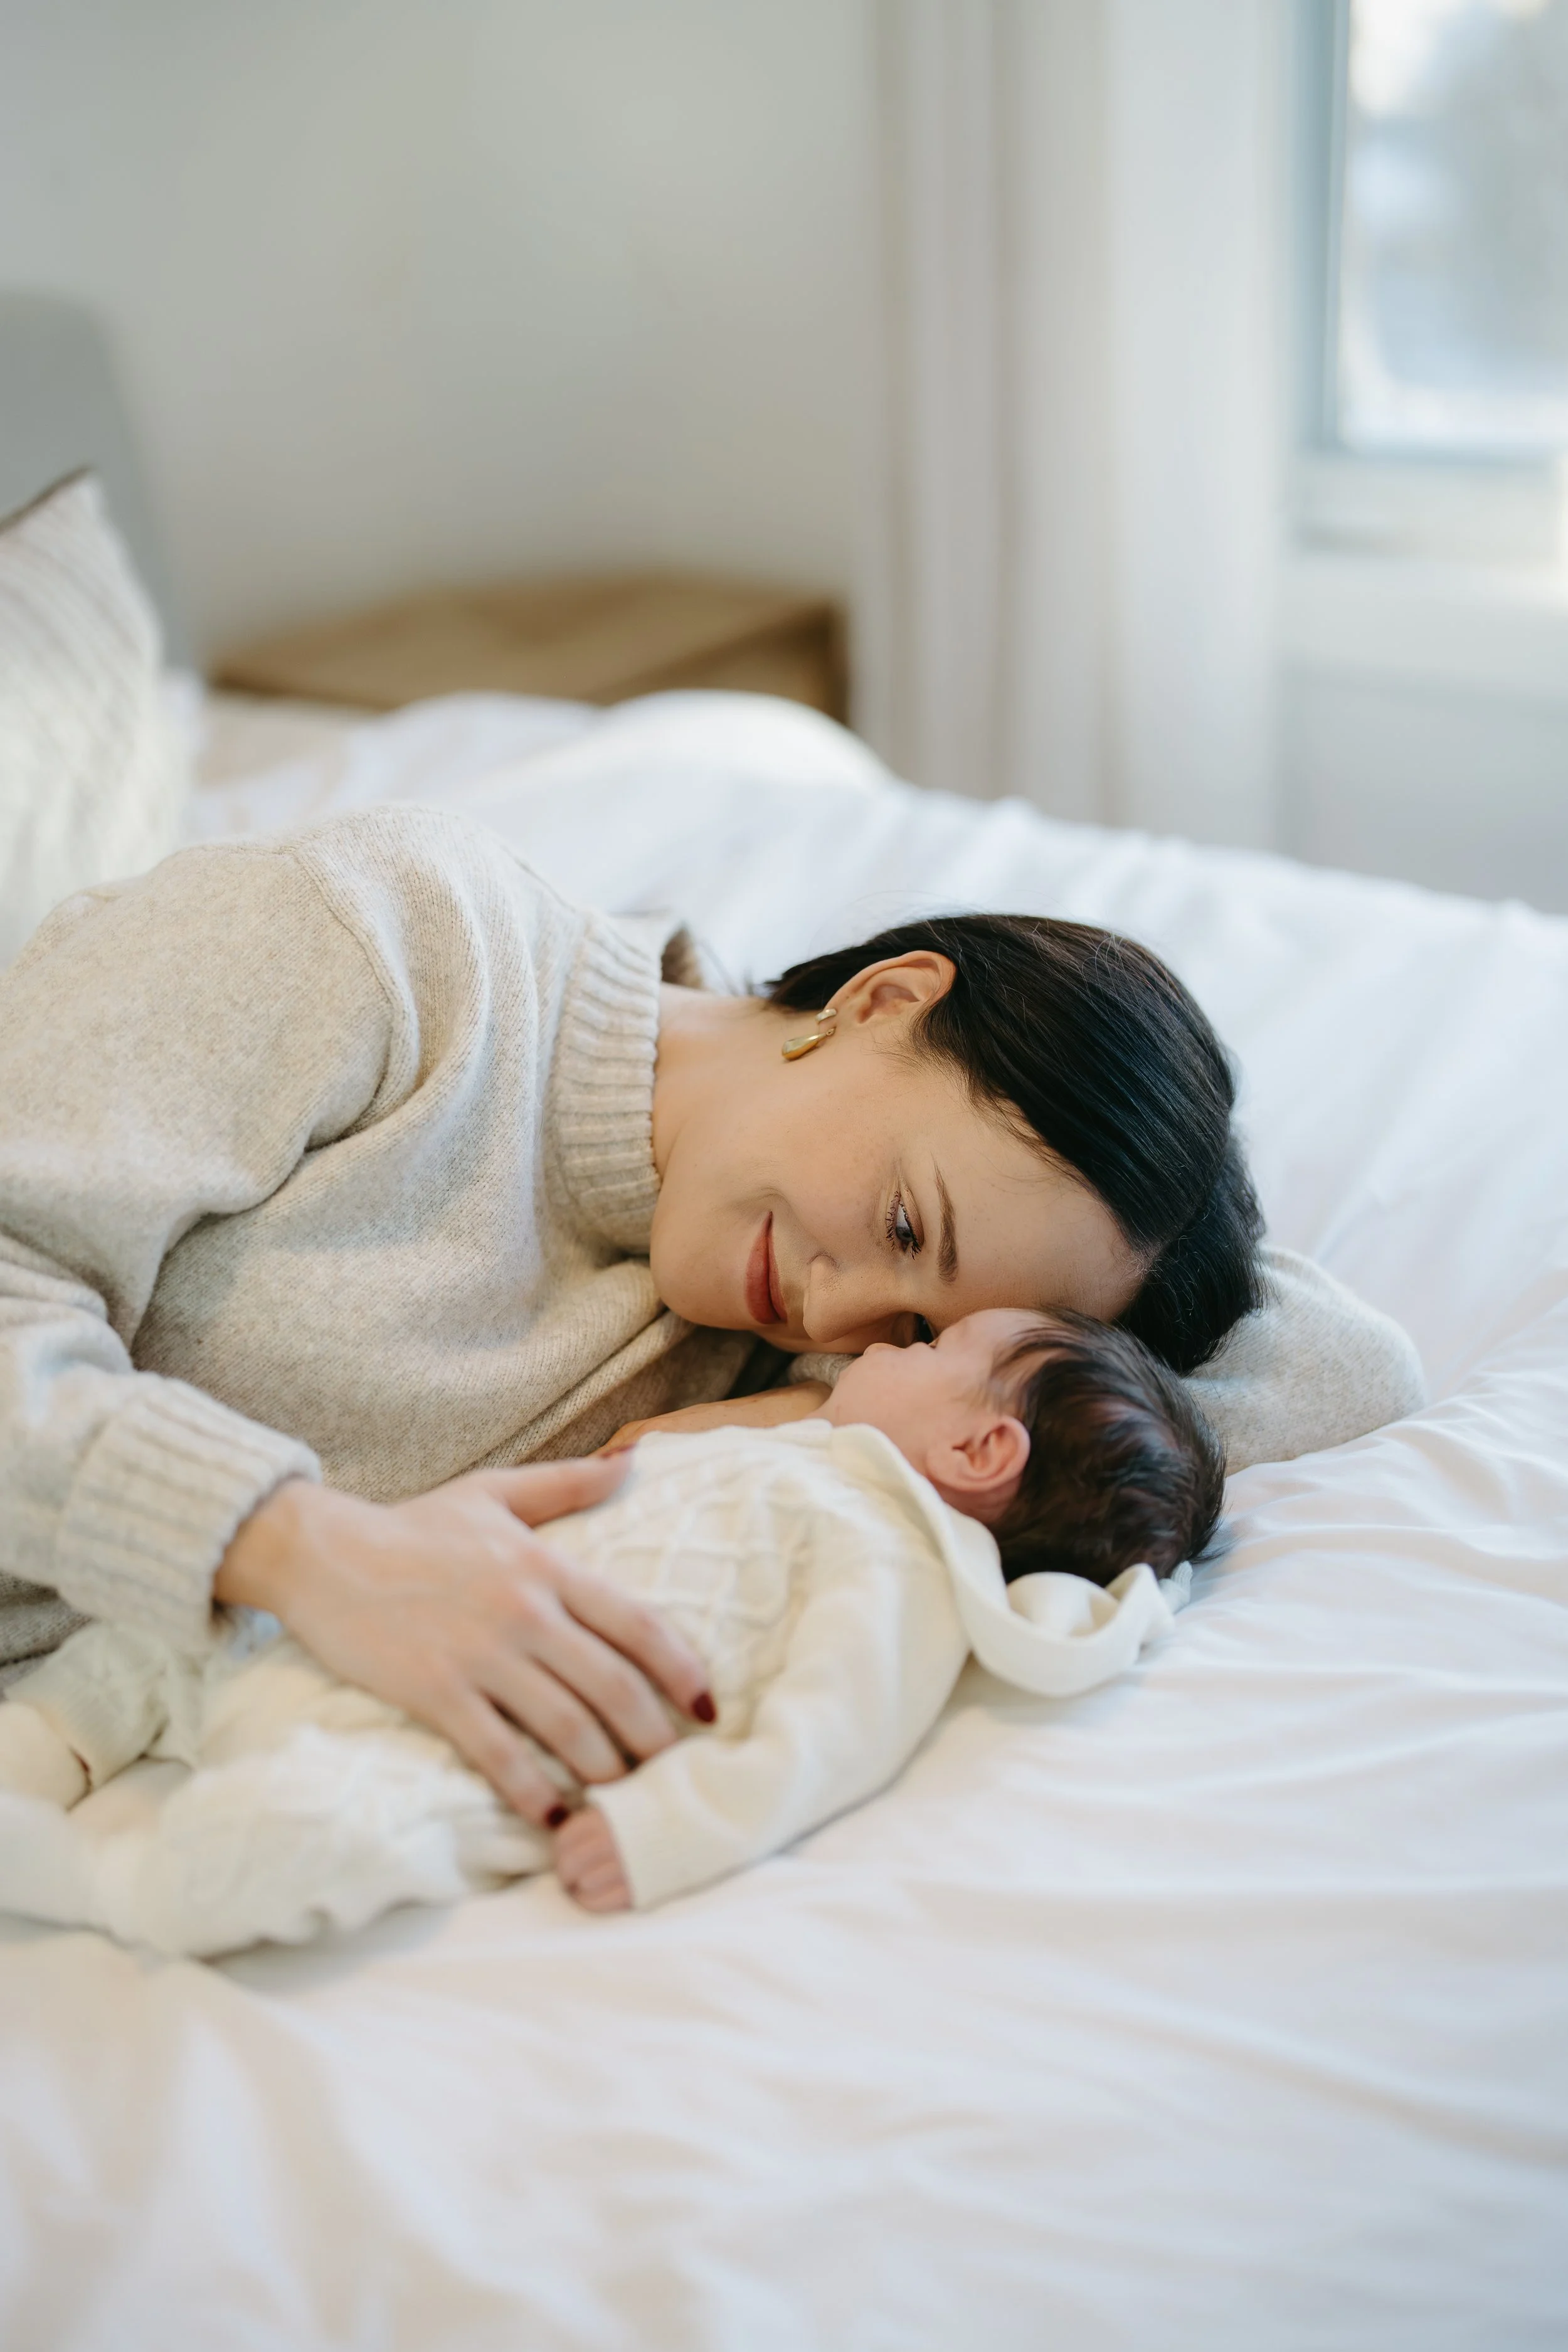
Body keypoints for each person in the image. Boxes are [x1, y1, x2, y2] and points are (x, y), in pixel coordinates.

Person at [0, 808, 1422, 1826]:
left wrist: (838, 1396)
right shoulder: (389, 940)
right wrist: (302, 1549)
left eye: (920, 1332)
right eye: (906, 1224)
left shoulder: (780, 1361)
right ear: (883, 999)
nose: (841, 1308)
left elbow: (1350, 1371)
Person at [0, 1306, 1224, 1953]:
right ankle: (45, 1741)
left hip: (474, 1743)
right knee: (172, 1628)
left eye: (932, 1345)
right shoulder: (804, 1448)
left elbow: (826, 1735)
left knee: (314, 1835)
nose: (880, 1336)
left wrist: (664, 1828)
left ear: (981, 1447)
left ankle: (107, 1885)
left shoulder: (899, 1566)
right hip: (382, 1609)